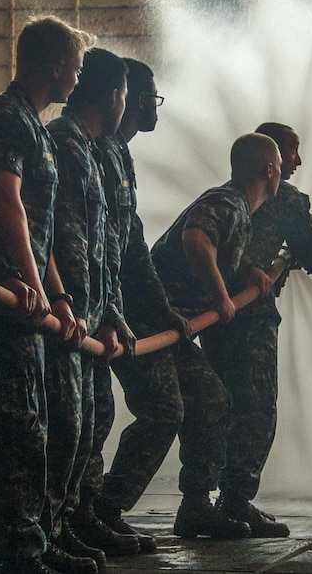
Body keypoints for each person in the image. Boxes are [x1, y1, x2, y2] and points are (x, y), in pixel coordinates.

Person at [0, 16, 92, 574]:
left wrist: (57, 297)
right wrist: (30, 282)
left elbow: (37, 226)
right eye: (76, 69)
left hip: (25, 304)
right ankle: (18, 556)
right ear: (55, 67)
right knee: (8, 434)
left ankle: (30, 545)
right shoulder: (4, 120)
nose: (78, 81)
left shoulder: (32, 125)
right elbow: (2, 202)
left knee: (29, 428)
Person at [150, 133, 280, 539]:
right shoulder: (231, 203)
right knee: (201, 404)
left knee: (209, 402)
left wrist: (247, 272)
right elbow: (196, 238)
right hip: (153, 320)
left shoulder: (234, 205)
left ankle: (197, 507)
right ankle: (114, 505)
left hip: (167, 322)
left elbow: (220, 246)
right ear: (270, 170)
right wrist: (223, 297)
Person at [197, 122, 312, 537]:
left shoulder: (286, 201)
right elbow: (214, 242)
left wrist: (299, 250)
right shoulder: (236, 200)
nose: (297, 160)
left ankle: (230, 499)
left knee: (245, 408)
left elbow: (306, 246)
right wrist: (250, 267)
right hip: (229, 315)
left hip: (245, 313)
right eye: (292, 151)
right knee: (234, 408)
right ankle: (209, 501)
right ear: (270, 161)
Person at [87, 59, 191, 553]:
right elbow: (83, 242)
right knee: (87, 419)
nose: (154, 106)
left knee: (163, 410)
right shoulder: (87, 149)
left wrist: (162, 310)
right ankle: (79, 519)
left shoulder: (120, 157)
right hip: (85, 307)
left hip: (120, 308)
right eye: (150, 95)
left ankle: (102, 511)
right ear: (124, 94)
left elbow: (131, 246)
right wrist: (108, 310)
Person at [43, 47, 138, 566]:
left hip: (90, 321)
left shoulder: (92, 147)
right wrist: (76, 307)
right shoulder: (63, 143)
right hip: (66, 321)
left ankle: (72, 521)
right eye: (126, 96)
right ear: (112, 96)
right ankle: (45, 535)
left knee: (90, 424)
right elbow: (60, 238)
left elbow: (104, 249)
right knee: (63, 430)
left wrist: (112, 314)